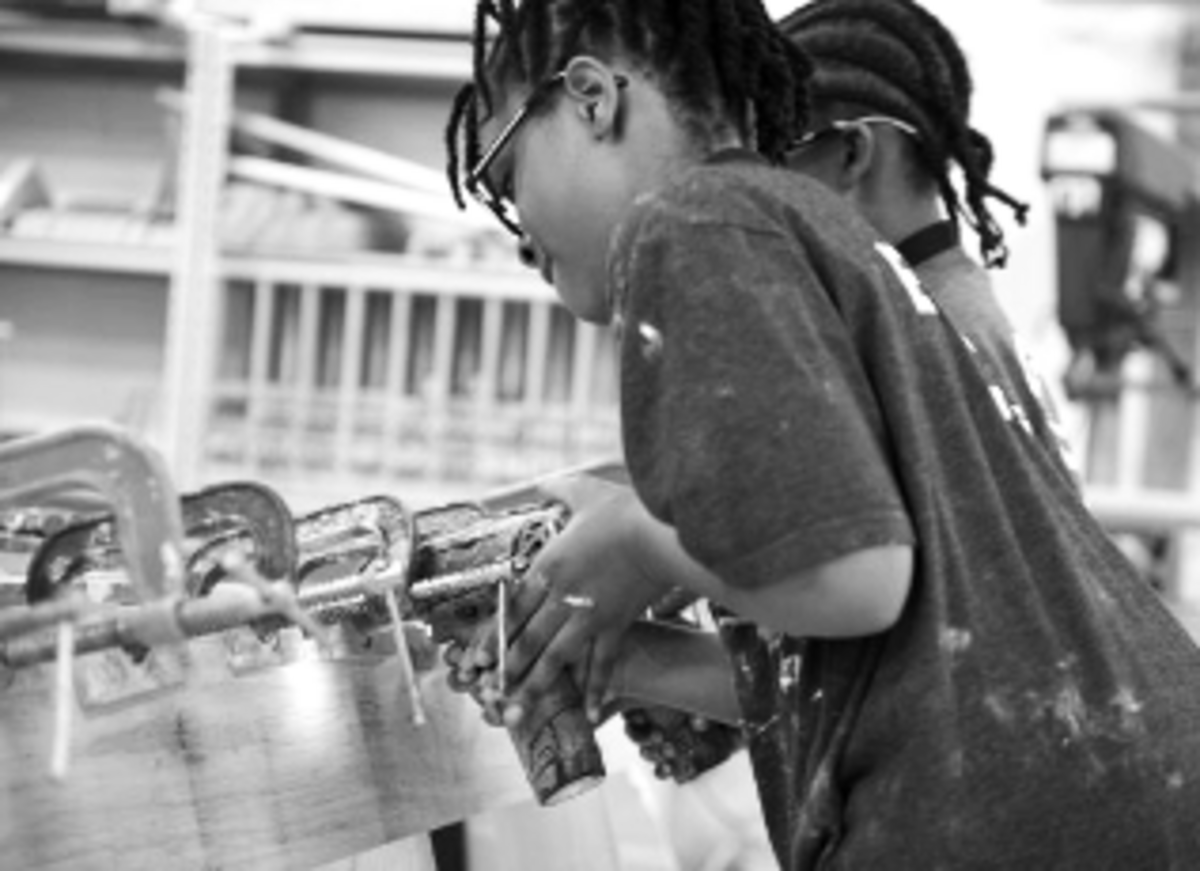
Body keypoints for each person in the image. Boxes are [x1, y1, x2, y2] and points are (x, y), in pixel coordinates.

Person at [443, 1, 1200, 868]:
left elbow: (858, 580)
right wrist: (631, 657)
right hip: (1108, 785)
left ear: (589, 99)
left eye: (504, 176)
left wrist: (634, 542)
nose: (515, 230)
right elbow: (875, 643)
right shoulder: (815, 235)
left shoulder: (692, 221)